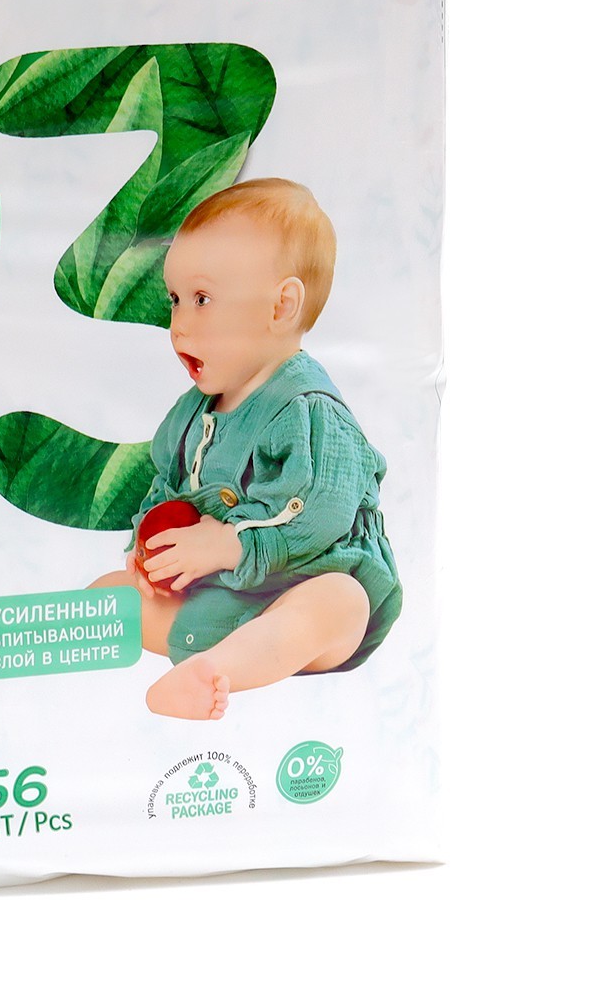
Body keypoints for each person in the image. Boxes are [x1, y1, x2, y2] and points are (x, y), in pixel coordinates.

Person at [90, 178, 401, 720]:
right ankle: (226, 652)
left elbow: (319, 513)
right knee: (107, 595)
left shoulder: (309, 410)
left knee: (340, 602)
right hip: (221, 596)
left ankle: (215, 672)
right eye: (175, 300)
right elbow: (166, 485)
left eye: (202, 300)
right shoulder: (192, 412)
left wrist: (230, 547)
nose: (178, 325)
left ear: (281, 306)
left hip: (305, 583)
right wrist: (148, 551)